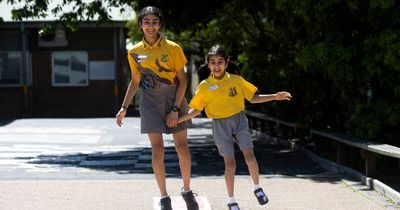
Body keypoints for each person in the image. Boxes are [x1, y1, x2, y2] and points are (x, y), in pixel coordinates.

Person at [178, 45, 292, 210]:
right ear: (208, 64)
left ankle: (257, 187)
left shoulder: (236, 80)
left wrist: (275, 96)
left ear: (226, 62)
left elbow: (253, 98)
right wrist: (180, 119)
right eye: (213, 62)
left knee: (250, 158)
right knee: (230, 165)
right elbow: (196, 109)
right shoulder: (204, 86)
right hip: (219, 124)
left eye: (220, 62)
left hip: (239, 120)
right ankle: (231, 200)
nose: (217, 66)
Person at [115, 6, 199, 210]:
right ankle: (164, 197)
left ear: (160, 24)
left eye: (154, 22)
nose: (150, 26)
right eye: (146, 22)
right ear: (140, 25)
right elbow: (135, 81)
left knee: (182, 148)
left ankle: (187, 190)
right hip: (149, 101)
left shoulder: (173, 48)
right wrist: (124, 107)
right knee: (157, 149)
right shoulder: (134, 52)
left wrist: (175, 108)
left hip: (174, 97)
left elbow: (183, 81)